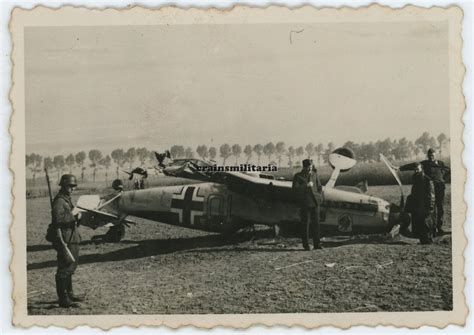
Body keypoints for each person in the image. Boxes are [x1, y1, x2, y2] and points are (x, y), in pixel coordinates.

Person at [400, 148, 450, 235]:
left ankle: (440, 227)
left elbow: (448, 170)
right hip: (430, 190)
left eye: (433, 155)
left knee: (440, 207)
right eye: (430, 155)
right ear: (428, 156)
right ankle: (433, 228)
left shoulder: (441, 163)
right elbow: (414, 165)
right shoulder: (425, 163)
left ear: (435, 155)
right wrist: (400, 168)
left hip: (440, 188)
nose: (431, 157)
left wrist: (443, 179)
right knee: (431, 209)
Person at [52, 174, 83, 308]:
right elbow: (58, 219)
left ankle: (69, 294)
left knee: (71, 266)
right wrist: (73, 215)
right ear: (63, 186)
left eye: (74, 186)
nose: (72, 189)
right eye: (70, 186)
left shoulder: (66, 199)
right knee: (64, 268)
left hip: (71, 236)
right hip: (65, 238)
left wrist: (77, 216)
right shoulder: (60, 201)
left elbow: (69, 217)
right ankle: (63, 298)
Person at [292, 159, 323, 250]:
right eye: (308, 167)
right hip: (305, 203)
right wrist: (306, 185)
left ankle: (317, 244)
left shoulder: (314, 175)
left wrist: (319, 197)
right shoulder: (298, 176)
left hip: (315, 202)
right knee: (305, 225)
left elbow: (319, 187)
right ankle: (306, 245)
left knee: (316, 224)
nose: (310, 168)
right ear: (304, 167)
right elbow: (295, 189)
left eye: (311, 166)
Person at [407, 163, 435, 244]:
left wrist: (430, 206)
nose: (416, 171)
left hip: (425, 205)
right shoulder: (415, 178)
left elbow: (431, 195)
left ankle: (428, 240)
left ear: (421, 169)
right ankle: (422, 240)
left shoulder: (427, 180)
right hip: (417, 205)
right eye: (415, 169)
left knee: (425, 223)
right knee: (418, 223)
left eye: (417, 169)